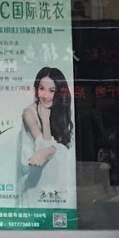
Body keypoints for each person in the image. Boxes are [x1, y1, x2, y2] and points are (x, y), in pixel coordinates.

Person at [16, 66, 75, 209]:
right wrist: (45, 121)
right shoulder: (29, 113)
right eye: (41, 89)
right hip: (35, 185)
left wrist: (51, 149)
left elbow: (62, 150)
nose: (45, 95)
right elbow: (43, 148)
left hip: (54, 184)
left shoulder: (59, 111)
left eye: (52, 90)